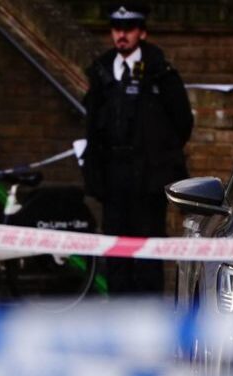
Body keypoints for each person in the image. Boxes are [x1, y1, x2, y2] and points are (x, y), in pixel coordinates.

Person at [82, 2, 194, 294]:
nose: (121, 35)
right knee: (116, 251)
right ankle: (120, 318)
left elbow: (182, 122)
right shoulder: (102, 72)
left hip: (147, 178)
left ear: (141, 32)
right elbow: (92, 124)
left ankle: (148, 318)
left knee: (148, 250)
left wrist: (160, 157)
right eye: (117, 29)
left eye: (128, 29)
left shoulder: (161, 72)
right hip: (113, 177)